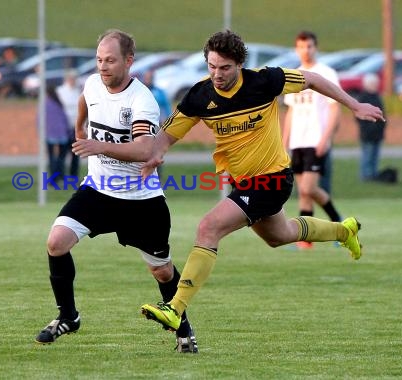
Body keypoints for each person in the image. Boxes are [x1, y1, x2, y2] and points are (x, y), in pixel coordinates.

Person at [139, 30, 384, 342]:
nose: (217, 74)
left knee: (208, 228)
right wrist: (154, 154)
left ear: (240, 64)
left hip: (272, 179)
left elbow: (312, 79)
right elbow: (166, 137)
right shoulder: (199, 96)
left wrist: (354, 105)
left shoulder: (264, 81)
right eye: (212, 66)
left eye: (225, 67)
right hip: (245, 184)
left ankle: (176, 307)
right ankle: (344, 231)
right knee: (280, 236)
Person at [35, 29, 198, 353]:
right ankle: (68, 316)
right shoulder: (93, 84)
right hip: (98, 190)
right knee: (56, 242)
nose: (102, 66)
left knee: (162, 271)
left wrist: (97, 144)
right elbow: (85, 99)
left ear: (128, 61)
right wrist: (80, 127)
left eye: (110, 60)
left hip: (141, 201)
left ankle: (185, 332)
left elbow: (143, 150)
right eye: (98, 59)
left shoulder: (142, 100)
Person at [282, 30, 343, 249]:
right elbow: (290, 111)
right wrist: (285, 142)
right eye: (301, 46)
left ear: (316, 48)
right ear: (296, 49)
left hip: (316, 139)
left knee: (309, 188)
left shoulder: (326, 73)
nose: (305, 50)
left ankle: (340, 224)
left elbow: (335, 109)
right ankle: (305, 240)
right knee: (303, 193)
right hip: (297, 141)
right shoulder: (294, 74)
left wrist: (326, 138)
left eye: (309, 46)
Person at [356, 73, 387, 181]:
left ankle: (373, 175)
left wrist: (382, 125)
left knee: (375, 156)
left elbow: (382, 113)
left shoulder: (377, 97)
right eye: (373, 84)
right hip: (367, 133)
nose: (375, 86)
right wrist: (369, 128)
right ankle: (365, 175)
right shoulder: (363, 97)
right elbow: (359, 116)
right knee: (367, 155)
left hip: (377, 133)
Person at [142, 69, 172, 179]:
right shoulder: (140, 91)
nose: (148, 79)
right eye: (146, 77)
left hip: (156, 126)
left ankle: (157, 178)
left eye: (150, 77)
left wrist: (167, 121)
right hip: (142, 126)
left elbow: (167, 108)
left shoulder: (159, 92)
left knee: (156, 151)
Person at [56, 69, 82, 177]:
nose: (73, 80)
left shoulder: (79, 91)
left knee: (75, 153)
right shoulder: (60, 91)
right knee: (62, 153)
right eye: (71, 78)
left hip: (75, 127)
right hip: (63, 127)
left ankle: (73, 175)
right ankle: (59, 175)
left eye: (74, 78)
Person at [43, 86, 70, 180]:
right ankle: (61, 176)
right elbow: (65, 118)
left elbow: (40, 120)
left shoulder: (45, 104)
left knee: (51, 157)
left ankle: (53, 177)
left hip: (49, 134)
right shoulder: (59, 103)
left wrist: (41, 132)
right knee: (61, 157)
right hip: (62, 133)